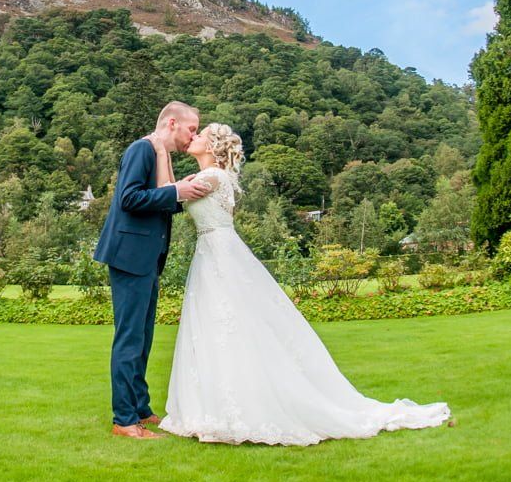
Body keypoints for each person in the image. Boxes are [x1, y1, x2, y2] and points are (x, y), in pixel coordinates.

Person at [148, 123, 452, 445]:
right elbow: (171, 191)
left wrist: (162, 152)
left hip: (218, 255)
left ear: (212, 146)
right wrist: (167, 159)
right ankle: (219, 407)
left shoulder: (212, 178)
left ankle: (235, 410)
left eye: (200, 134)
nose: (193, 137)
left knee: (229, 324)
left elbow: (167, 190)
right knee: (219, 325)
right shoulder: (210, 177)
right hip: (212, 252)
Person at [93, 101, 210, 440]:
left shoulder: (160, 156)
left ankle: (141, 409)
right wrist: (176, 191)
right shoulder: (141, 149)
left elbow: (158, 200)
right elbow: (128, 199)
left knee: (142, 339)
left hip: (146, 259)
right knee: (130, 339)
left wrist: (178, 190)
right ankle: (124, 420)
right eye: (191, 128)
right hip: (129, 257)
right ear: (172, 123)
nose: (193, 136)